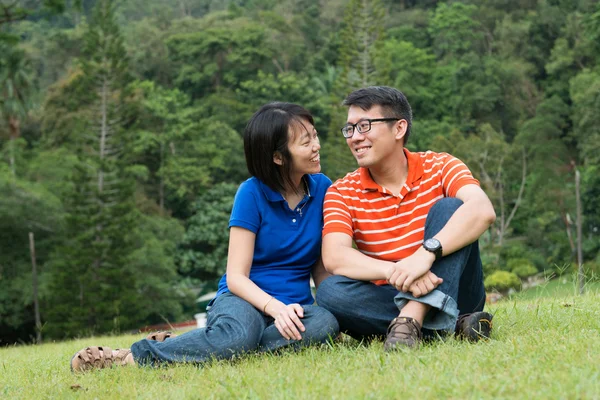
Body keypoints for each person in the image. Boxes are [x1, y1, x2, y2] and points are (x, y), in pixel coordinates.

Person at [71, 102, 339, 372]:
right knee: (240, 335)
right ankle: (133, 357)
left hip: (294, 307)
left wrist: (328, 305)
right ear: (278, 157)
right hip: (244, 302)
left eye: (315, 135)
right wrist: (274, 308)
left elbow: (319, 263)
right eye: (306, 142)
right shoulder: (251, 194)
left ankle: (203, 345)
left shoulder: (323, 188)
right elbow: (236, 277)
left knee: (325, 323)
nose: (316, 145)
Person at [316, 86, 496, 350]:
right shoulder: (342, 191)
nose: (354, 137)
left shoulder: (441, 166)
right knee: (329, 292)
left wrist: (426, 255)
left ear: (399, 128)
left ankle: (411, 320)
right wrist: (396, 271)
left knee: (450, 208)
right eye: (349, 129)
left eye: (364, 126)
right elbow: (334, 256)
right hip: (392, 292)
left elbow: (482, 209)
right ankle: (452, 325)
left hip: (456, 291)